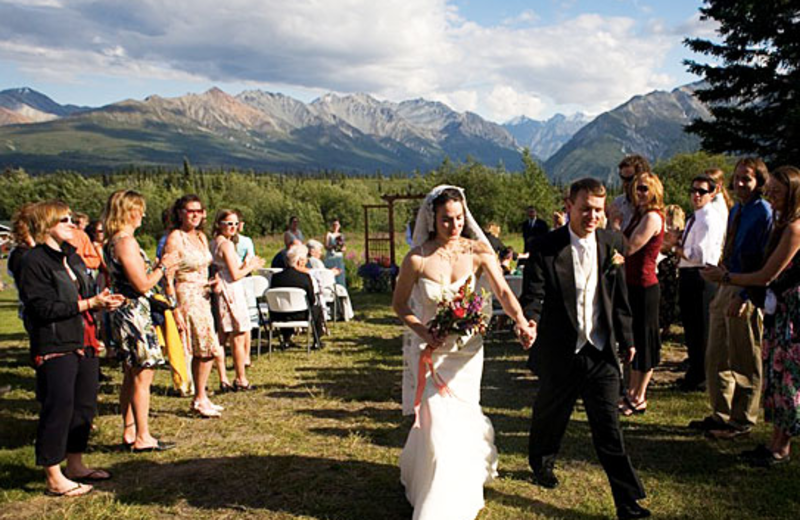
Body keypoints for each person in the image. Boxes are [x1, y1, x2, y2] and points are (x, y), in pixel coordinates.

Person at [392, 185, 535, 520]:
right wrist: (423, 331)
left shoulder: (478, 252)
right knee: (436, 427)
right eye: (446, 219)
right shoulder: (417, 258)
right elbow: (399, 305)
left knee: (462, 419)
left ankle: (460, 483)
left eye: (458, 218)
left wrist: (522, 322)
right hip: (433, 355)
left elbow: (502, 291)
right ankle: (437, 500)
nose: (454, 225)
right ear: (432, 219)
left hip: (467, 355)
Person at [520, 178, 649, 520]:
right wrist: (529, 321)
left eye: (598, 210)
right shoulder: (545, 247)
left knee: (609, 427)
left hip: (601, 352)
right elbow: (533, 295)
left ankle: (627, 502)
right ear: (569, 206)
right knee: (550, 414)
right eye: (585, 209)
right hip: (560, 349)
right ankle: (541, 463)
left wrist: (628, 339)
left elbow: (620, 301)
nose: (592, 216)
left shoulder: (612, 243)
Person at [19, 201, 124, 497]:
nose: (72, 224)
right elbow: (41, 307)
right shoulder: (34, 261)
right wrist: (90, 304)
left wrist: (103, 299)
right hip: (55, 343)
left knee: (84, 406)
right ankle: (53, 475)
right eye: (64, 220)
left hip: (85, 340)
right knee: (59, 407)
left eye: (72, 219)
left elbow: (85, 293)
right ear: (47, 224)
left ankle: (75, 464)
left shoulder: (72, 257)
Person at [703, 165, 800, 467]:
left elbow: (767, 273)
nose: (771, 194)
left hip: (788, 306)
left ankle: (778, 446)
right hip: (774, 303)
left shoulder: (792, 227)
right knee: (775, 368)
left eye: (777, 190)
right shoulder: (778, 220)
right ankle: (774, 442)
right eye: (771, 188)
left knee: (785, 376)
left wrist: (730, 281)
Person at [690, 157, 773, 439]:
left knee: (744, 356)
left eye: (746, 179)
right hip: (726, 281)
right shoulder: (737, 208)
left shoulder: (764, 212)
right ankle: (720, 413)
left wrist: (745, 294)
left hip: (744, 288)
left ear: (759, 182)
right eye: (737, 178)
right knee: (716, 354)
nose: (740, 184)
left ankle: (742, 419)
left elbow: (762, 258)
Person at [104, 190, 179, 451]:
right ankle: (142, 436)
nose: (143, 215)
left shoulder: (112, 242)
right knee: (142, 375)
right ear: (129, 212)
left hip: (124, 312)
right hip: (134, 314)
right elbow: (141, 283)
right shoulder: (125, 242)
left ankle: (130, 430)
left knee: (130, 373)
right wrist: (163, 266)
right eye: (140, 209)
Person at [163, 195, 228, 416]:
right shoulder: (175, 238)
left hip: (204, 293)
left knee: (207, 347)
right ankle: (198, 396)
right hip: (186, 295)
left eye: (199, 211)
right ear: (180, 213)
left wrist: (213, 280)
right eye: (190, 211)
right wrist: (174, 307)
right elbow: (168, 276)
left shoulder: (201, 237)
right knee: (204, 346)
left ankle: (200, 395)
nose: (195, 215)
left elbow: (205, 266)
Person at [665, 175, 727, 391]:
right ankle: (695, 371)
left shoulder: (710, 219)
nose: (696, 195)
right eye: (693, 190)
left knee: (701, 327)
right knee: (692, 327)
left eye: (702, 191)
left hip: (701, 275)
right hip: (689, 274)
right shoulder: (697, 217)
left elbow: (701, 255)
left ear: (712, 194)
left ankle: (701, 376)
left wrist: (674, 248)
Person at [620, 172, 665, 415]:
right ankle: (632, 391)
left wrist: (616, 226)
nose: (639, 193)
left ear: (655, 191)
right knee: (634, 339)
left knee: (645, 340)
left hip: (645, 286)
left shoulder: (652, 217)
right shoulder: (640, 214)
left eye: (644, 189)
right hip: (633, 284)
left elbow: (630, 247)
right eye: (636, 188)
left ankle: (639, 395)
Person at [211, 210, 265, 390]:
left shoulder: (213, 243)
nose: (233, 227)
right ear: (219, 224)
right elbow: (235, 275)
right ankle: (241, 378)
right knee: (238, 335)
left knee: (222, 335)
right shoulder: (225, 245)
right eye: (229, 223)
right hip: (231, 291)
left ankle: (224, 377)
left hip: (222, 289)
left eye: (235, 224)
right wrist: (251, 266)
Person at [269, 243, 327, 349]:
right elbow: (312, 300)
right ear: (299, 261)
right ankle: (316, 340)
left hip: (279, 315)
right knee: (317, 308)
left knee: (284, 304)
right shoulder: (305, 278)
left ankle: (286, 339)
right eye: (305, 260)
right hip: (301, 314)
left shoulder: (275, 278)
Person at [658, 204, 685, 335]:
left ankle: (666, 324)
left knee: (668, 294)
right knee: (665, 293)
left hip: (670, 260)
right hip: (666, 259)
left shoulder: (678, 230)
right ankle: (664, 324)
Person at [609, 154, 651, 232]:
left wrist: (615, 225)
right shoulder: (618, 203)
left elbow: (633, 244)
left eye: (630, 179)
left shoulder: (651, 209)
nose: (625, 183)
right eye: (623, 178)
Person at [324, 218, 347, 286]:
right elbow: (326, 246)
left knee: (340, 273)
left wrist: (343, 249)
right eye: (334, 225)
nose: (335, 226)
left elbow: (344, 246)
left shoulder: (341, 235)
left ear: (339, 226)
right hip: (331, 256)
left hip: (338, 256)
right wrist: (333, 246)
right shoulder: (329, 234)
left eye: (337, 225)